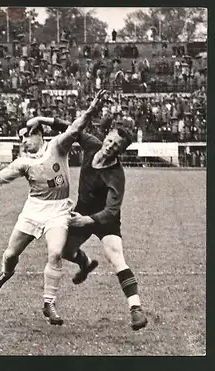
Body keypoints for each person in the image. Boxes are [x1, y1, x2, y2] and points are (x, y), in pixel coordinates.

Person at [0, 90, 108, 325]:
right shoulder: (23, 162)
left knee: (55, 253)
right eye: (21, 138)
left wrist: (92, 110)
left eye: (26, 137)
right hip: (33, 211)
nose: (23, 142)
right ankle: (6, 273)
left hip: (58, 211)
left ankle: (49, 303)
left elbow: (74, 129)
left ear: (39, 136)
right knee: (11, 254)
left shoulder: (57, 146)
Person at [45, 120, 148, 331]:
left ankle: (136, 309)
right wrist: (42, 120)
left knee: (115, 255)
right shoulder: (92, 145)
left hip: (105, 219)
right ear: (106, 137)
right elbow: (71, 128)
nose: (110, 146)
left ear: (121, 151)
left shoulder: (116, 175)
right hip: (82, 210)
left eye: (116, 146)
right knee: (64, 251)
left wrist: (89, 220)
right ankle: (85, 262)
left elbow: (112, 210)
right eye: (110, 141)